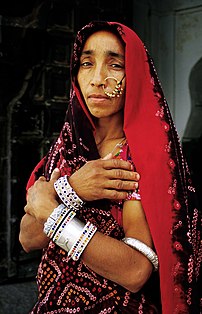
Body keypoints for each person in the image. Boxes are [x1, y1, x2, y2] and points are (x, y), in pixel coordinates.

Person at [19, 21, 201, 314]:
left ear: (136, 77)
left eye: (115, 65)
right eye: (86, 63)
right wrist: (73, 189)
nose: (98, 78)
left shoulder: (141, 158)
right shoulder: (65, 148)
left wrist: (52, 208)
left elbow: (135, 272)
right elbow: (27, 238)